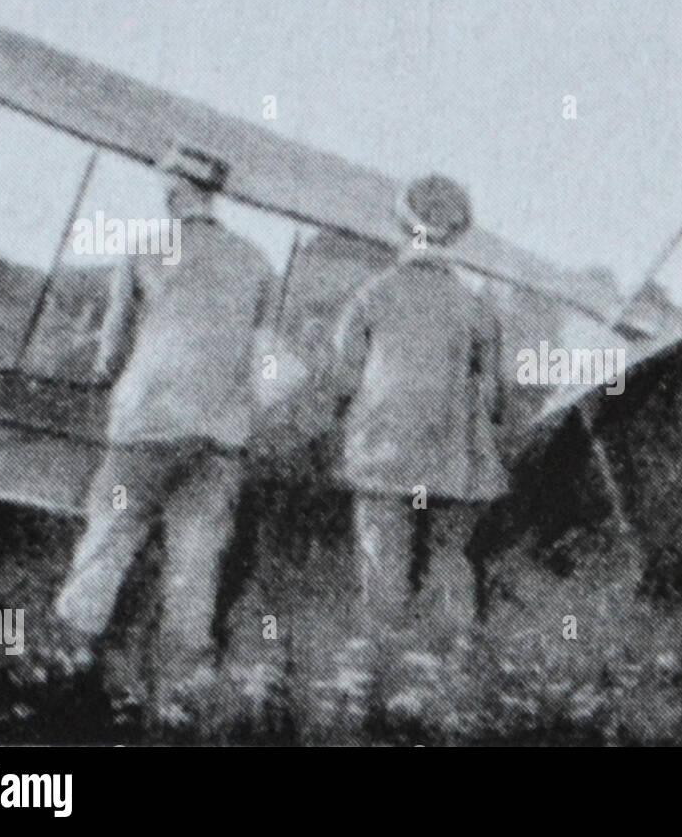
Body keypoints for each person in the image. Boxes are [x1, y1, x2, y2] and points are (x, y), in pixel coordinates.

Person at [53, 148, 277, 696]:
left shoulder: (144, 249)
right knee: (196, 558)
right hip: (221, 435)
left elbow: (110, 352)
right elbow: (267, 361)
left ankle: (70, 656)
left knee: (109, 536)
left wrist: (109, 368)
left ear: (172, 192)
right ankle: (185, 681)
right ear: (212, 195)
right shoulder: (255, 261)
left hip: (146, 424)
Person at [331, 174, 507, 654]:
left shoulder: (371, 296)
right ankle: (458, 658)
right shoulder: (477, 309)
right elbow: (493, 399)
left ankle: (384, 660)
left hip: (382, 453)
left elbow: (342, 382)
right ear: (457, 235)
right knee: (450, 556)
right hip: (454, 460)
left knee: (383, 557)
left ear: (402, 226)